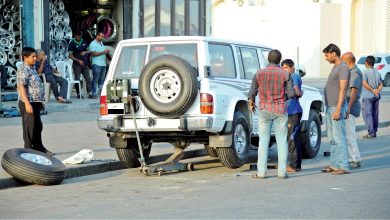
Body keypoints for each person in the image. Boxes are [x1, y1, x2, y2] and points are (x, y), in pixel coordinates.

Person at [248, 49, 289, 179]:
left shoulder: (259, 73)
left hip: (264, 109)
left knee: (263, 141)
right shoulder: (285, 74)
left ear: (268, 59)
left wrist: (251, 102)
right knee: (282, 141)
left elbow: (252, 91)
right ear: (280, 60)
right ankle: (282, 173)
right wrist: (284, 97)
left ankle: (261, 172)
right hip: (280, 110)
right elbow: (292, 93)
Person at [16, 47, 53, 155]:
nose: (35, 58)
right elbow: (21, 87)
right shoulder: (23, 69)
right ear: (25, 57)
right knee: (29, 128)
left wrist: (41, 101)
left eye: (35, 56)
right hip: (28, 102)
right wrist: (27, 104)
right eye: (32, 57)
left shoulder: (31, 68)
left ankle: (39, 148)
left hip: (36, 102)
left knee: (38, 126)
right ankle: (28, 151)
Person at [321, 43, 350, 175]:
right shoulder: (335, 67)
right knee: (332, 138)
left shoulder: (343, 67)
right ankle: (334, 164)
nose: (325, 58)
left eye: (327, 55)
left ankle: (343, 166)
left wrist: (338, 109)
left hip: (336, 107)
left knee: (339, 137)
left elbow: (343, 89)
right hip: (330, 107)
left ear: (334, 53)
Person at [341, 52, 362, 169]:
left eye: (343, 61)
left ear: (349, 61)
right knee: (347, 135)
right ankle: (351, 158)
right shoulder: (351, 71)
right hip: (349, 106)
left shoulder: (355, 72)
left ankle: (355, 159)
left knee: (350, 136)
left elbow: (354, 91)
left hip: (351, 107)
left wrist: (348, 108)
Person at [281, 59, 303, 173]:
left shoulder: (292, 76)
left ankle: (294, 166)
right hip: (294, 111)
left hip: (292, 112)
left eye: (285, 68)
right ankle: (296, 165)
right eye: (282, 68)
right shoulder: (296, 76)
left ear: (291, 67)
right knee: (295, 139)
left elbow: (297, 92)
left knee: (292, 139)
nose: (284, 70)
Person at [361, 55, 383, 139]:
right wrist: (377, 90)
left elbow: (364, 83)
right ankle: (374, 131)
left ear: (366, 63)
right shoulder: (377, 72)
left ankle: (371, 132)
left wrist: (372, 90)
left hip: (368, 96)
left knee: (367, 114)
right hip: (376, 96)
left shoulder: (365, 72)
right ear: (373, 63)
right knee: (375, 113)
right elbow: (381, 84)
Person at [68, 30, 92, 98]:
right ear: (75, 36)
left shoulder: (84, 41)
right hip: (76, 64)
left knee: (88, 78)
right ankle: (78, 93)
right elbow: (70, 56)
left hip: (85, 64)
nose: (79, 38)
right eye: (77, 37)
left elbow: (90, 50)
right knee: (77, 79)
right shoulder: (72, 44)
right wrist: (78, 60)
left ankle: (89, 93)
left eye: (80, 37)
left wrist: (85, 52)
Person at [89, 31, 110, 98]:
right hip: (96, 64)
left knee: (101, 79)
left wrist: (107, 56)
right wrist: (103, 52)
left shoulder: (101, 43)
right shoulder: (93, 43)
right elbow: (93, 54)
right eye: (101, 36)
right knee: (96, 79)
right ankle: (94, 93)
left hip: (103, 64)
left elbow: (103, 53)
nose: (102, 37)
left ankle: (101, 93)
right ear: (97, 36)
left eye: (103, 36)